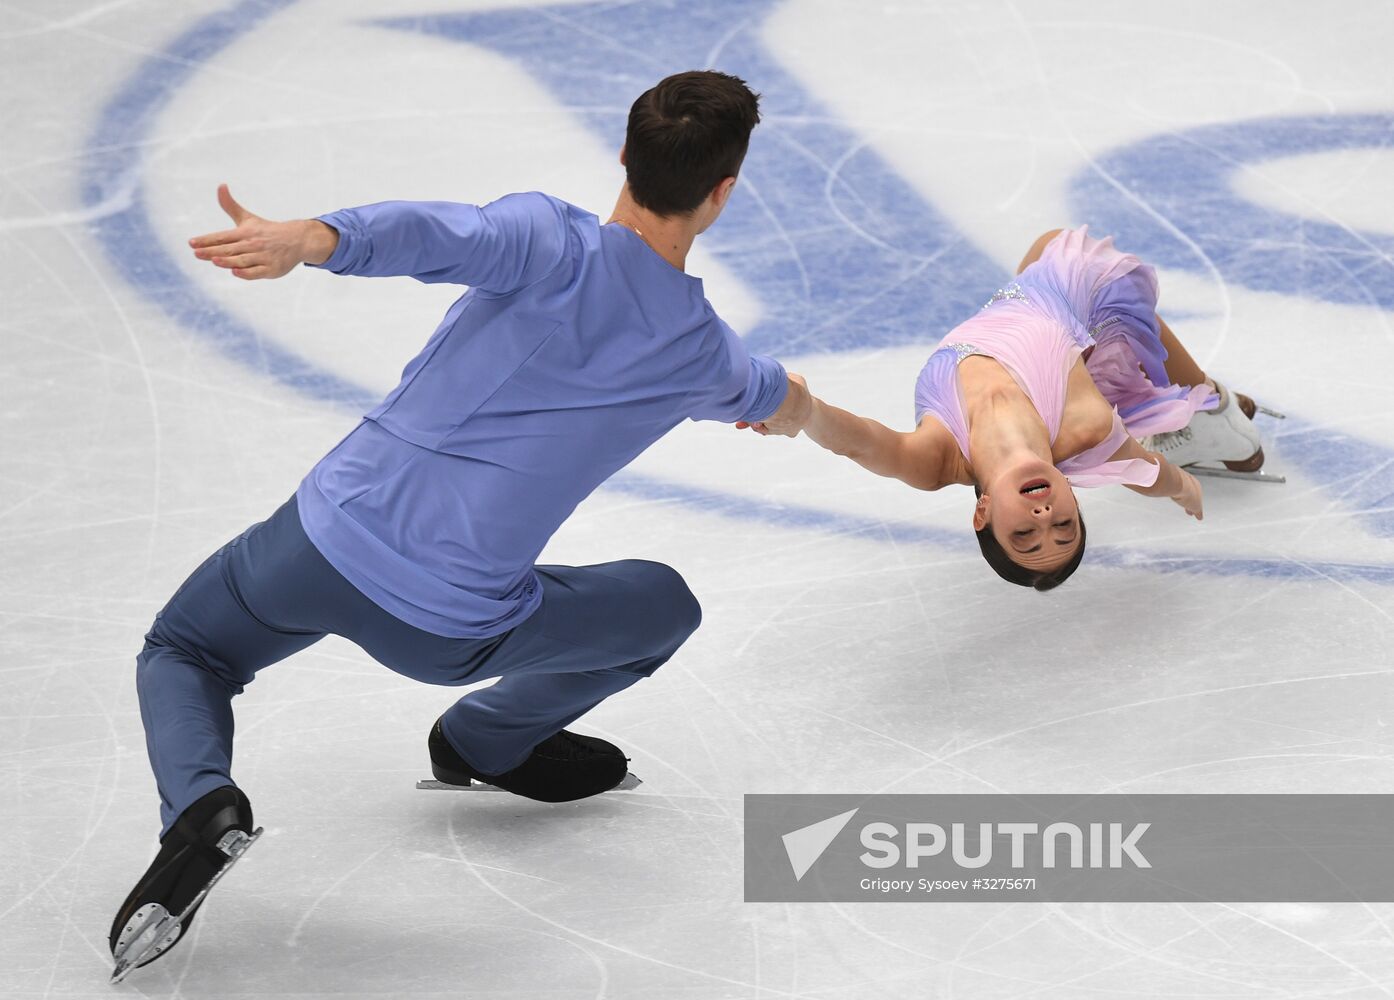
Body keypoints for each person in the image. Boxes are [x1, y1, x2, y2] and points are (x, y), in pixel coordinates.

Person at [109, 70, 811, 981]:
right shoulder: (700, 348)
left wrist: (314, 239)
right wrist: (833, 420)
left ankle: (202, 810)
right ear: (723, 193)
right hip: (444, 627)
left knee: (185, 650)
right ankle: (487, 740)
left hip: (316, 540)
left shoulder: (546, 238)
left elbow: (436, 234)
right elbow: (796, 407)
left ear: (626, 155)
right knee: (663, 605)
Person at [745, 226, 1272, 590]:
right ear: (1072, 495)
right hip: (1063, 304)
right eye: (1064, 525)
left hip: (1015, 313)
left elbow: (859, 442)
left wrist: (805, 410)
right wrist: (1183, 486)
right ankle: (1217, 414)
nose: (1045, 518)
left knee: (1051, 250)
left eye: (1025, 533)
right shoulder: (1087, 431)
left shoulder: (937, 459)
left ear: (984, 513)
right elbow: (1143, 470)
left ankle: (1192, 402)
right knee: (1113, 307)